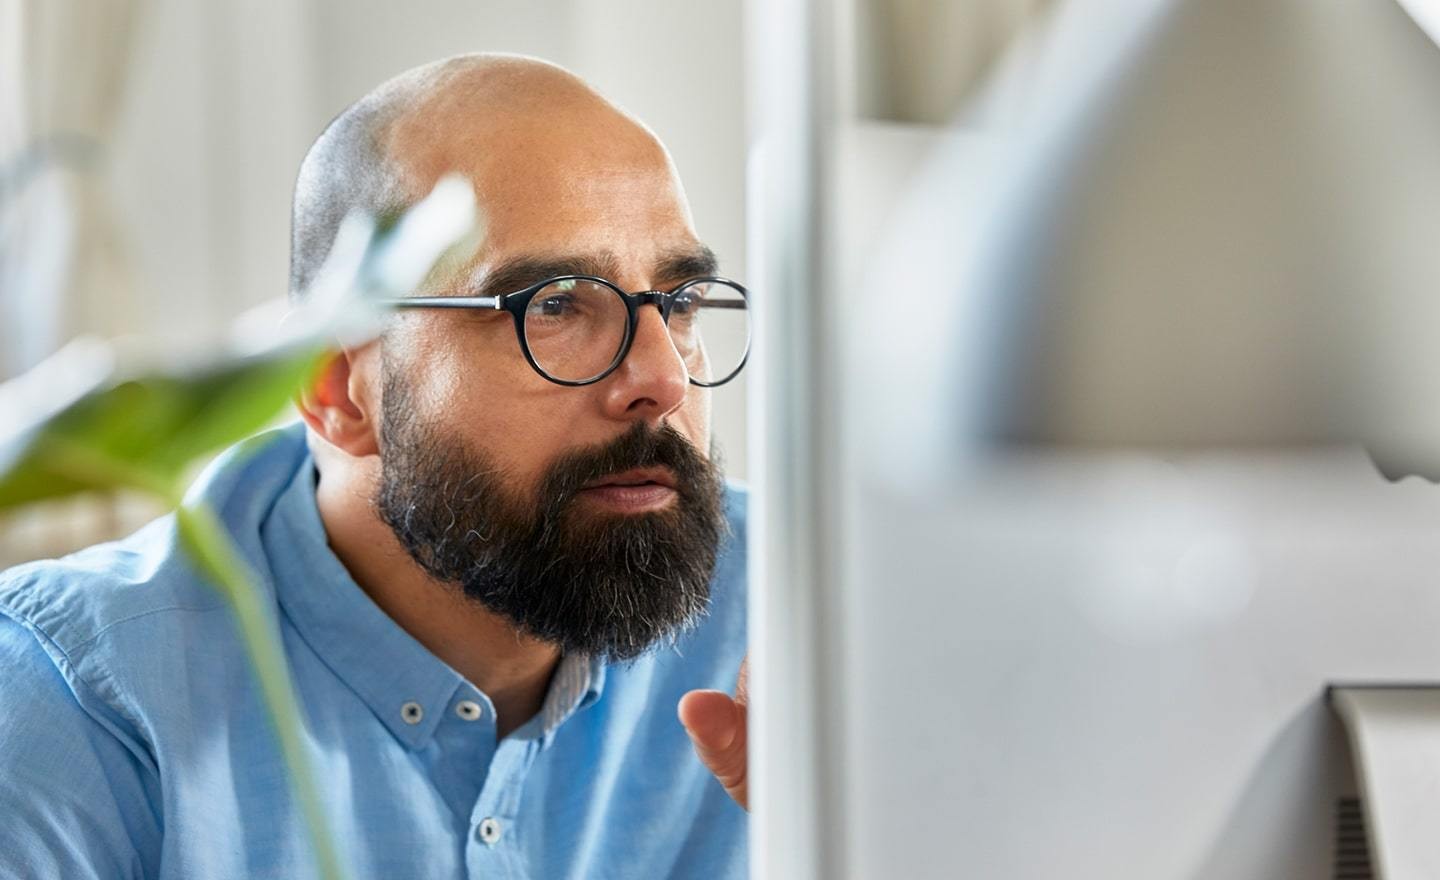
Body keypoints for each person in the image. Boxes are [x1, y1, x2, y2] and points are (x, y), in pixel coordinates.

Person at [0, 54, 750, 879]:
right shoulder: (72, 708)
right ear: (340, 390)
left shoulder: (793, 613)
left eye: (678, 304)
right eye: (556, 306)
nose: (663, 379)